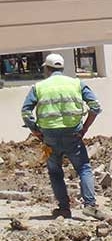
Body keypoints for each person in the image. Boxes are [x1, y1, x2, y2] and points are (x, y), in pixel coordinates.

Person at [21, 53, 105, 220]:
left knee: (55, 172)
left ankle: (64, 208)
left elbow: (26, 112)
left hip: (49, 136)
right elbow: (95, 107)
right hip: (73, 134)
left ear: (47, 68)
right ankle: (89, 205)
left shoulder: (39, 87)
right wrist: (85, 128)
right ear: (62, 67)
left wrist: (35, 130)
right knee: (83, 168)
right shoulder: (76, 84)